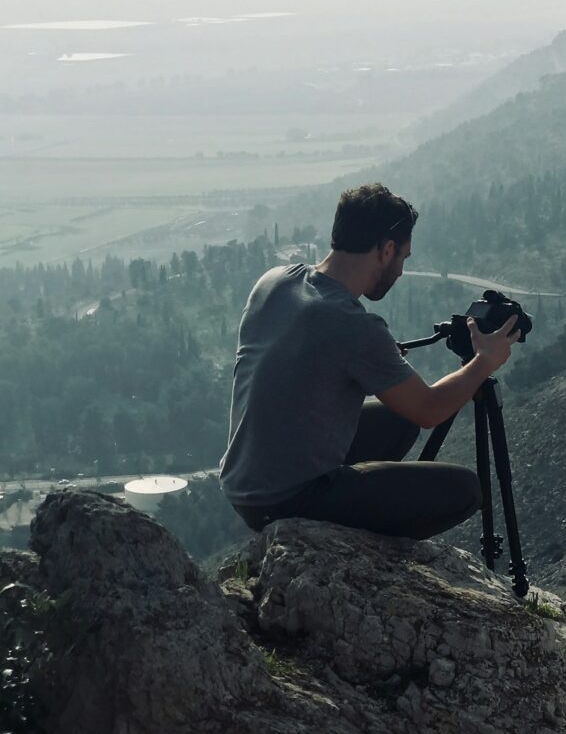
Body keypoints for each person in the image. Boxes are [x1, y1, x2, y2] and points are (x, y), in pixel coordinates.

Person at [218, 183, 520, 538]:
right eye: (403, 258)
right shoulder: (354, 326)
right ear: (387, 249)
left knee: (400, 419)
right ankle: (362, 556)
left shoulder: (275, 281)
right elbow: (429, 409)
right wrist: (484, 361)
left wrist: (368, 360)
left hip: (243, 483)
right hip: (286, 500)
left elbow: (305, 357)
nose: (402, 270)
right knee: (465, 490)